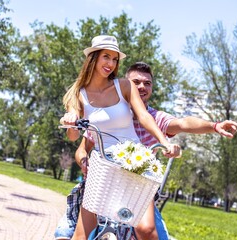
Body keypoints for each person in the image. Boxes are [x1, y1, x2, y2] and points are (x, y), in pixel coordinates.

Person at [55, 62, 237, 240]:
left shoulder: (155, 118)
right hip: (105, 182)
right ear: (125, 86)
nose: (141, 87)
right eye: (136, 82)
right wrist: (84, 163)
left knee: (152, 233)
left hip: (138, 189)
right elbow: (81, 150)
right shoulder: (108, 116)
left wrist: (214, 126)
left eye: (147, 83)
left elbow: (183, 123)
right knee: (67, 230)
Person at [58, 35, 181, 240]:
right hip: (103, 165)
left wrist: (164, 140)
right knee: (80, 235)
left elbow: (143, 116)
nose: (111, 63)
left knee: (146, 230)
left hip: (134, 161)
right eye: (106, 57)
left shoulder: (123, 85)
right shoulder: (78, 94)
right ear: (93, 58)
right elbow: (72, 136)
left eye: (115, 59)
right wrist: (71, 120)